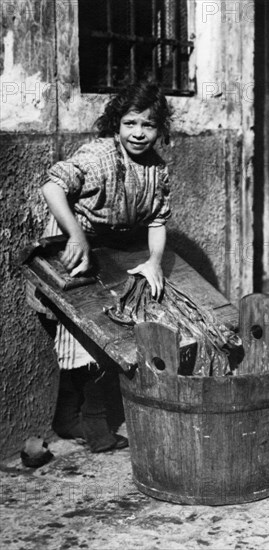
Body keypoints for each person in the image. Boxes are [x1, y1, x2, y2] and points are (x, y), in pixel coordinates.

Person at [38, 81, 173, 452]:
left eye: (148, 125)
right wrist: (76, 236)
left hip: (111, 247)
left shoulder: (157, 170)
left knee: (118, 321)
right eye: (130, 123)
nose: (139, 133)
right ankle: (90, 419)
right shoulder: (98, 157)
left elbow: (158, 221)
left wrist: (155, 262)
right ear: (117, 124)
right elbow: (52, 187)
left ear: (160, 129)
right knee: (82, 331)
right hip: (72, 237)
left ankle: (67, 417)